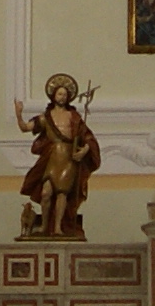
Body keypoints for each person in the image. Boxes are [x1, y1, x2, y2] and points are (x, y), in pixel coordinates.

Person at [15, 71, 101, 236]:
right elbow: (25, 128)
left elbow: (87, 137)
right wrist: (19, 114)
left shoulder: (73, 117)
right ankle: (44, 226)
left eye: (65, 95)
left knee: (62, 192)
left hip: (68, 157)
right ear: (53, 95)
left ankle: (57, 228)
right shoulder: (45, 118)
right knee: (46, 193)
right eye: (59, 94)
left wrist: (85, 150)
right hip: (52, 157)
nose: (62, 97)